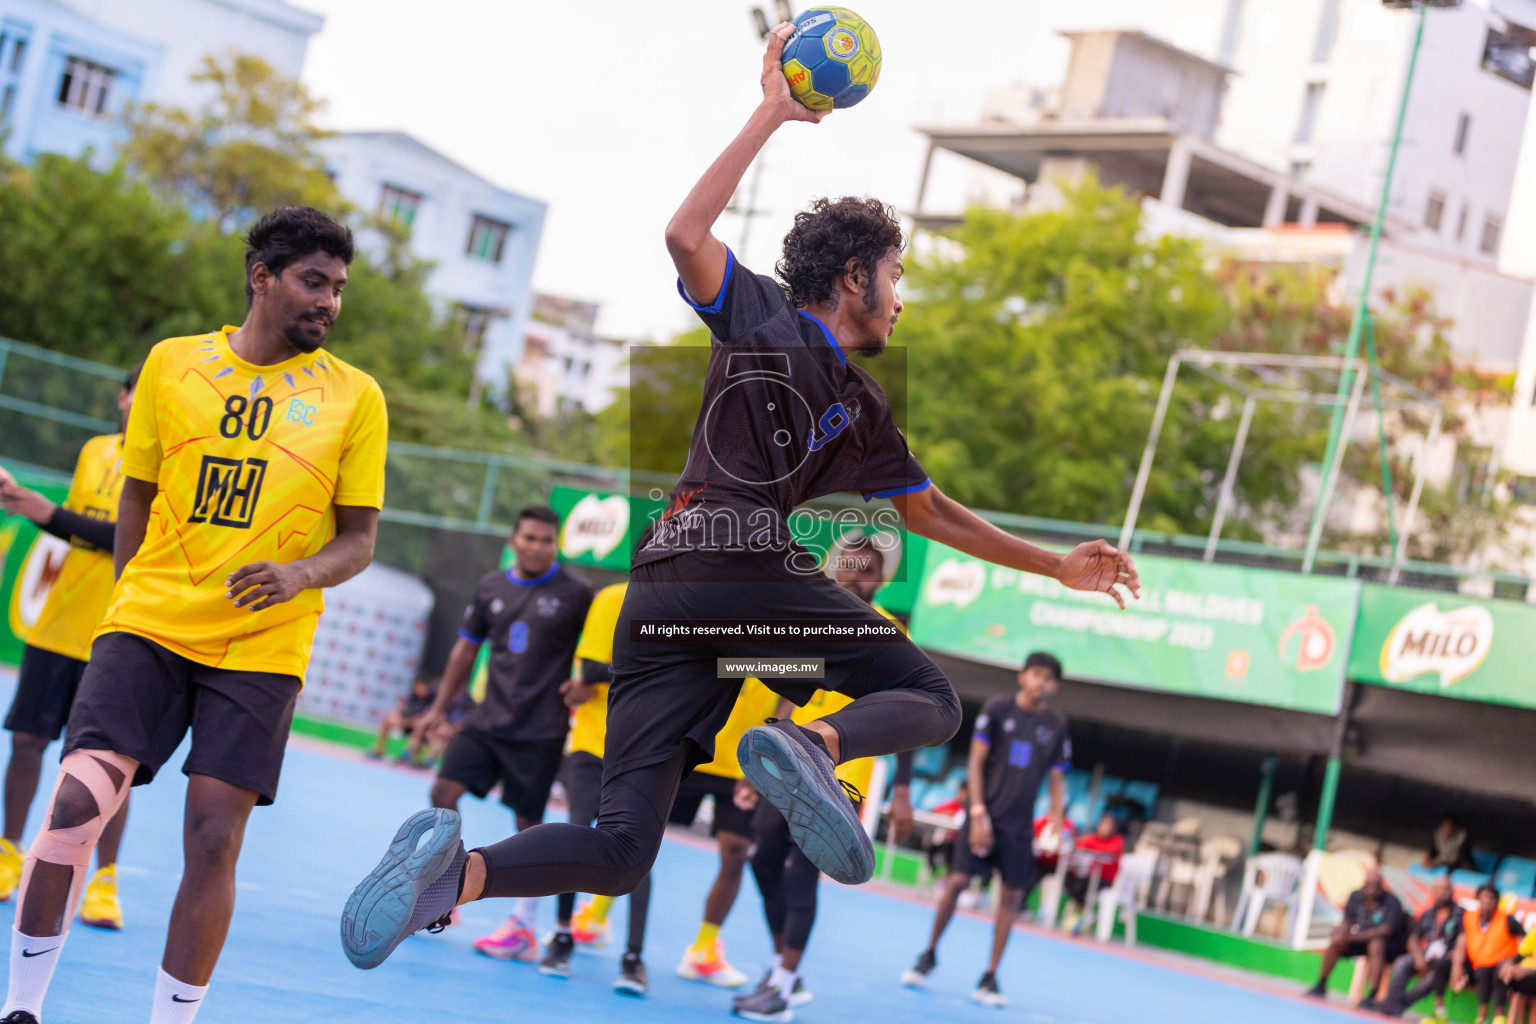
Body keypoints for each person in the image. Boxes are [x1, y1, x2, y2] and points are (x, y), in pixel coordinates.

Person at [339, 24, 1139, 973]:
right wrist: (773, 111)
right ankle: (819, 742)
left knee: (622, 849)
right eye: (894, 277)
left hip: (669, 605)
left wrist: (1054, 563)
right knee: (927, 697)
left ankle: (451, 877)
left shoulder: (864, 404)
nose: (900, 298)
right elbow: (684, 233)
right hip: (740, 566)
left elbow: (930, 511)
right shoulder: (762, 312)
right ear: (853, 278)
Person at [2, 205, 386, 1024]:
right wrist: (137, 595)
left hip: (261, 646)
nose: (329, 302)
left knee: (213, 835)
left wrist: (298, 573)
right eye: (313, 282)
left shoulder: (355, 398)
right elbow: (135, 498)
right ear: (262, 277)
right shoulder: (173, 366)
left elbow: (358, 542)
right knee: (74, 804)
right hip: (148, 624)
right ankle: (21, 1008)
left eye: (339, 288)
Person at [415, 507, 593, 963]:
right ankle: (446, 890)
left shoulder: (576, 595)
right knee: (442, 792)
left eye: (546, 540)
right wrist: (438, 709)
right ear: (514, 539)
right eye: (529, 538)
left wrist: (587, 683)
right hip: (485, 720)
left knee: (528, 827)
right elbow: (464, 649)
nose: (537, 546)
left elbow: (596, 651)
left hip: (540, 730)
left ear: (557, 545)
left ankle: (523, 925)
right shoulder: (490, 585)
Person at [0, 362, 140, 932]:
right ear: (122, 396)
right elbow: (80, 529)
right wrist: (25, 502)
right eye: (135, 390)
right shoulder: (95, 451)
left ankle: (103, 882)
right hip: (58, 624)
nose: (140, 400)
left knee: (109, 765)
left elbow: (130, 538)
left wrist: (45, 511)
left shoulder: (174, 465)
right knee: (28, 740)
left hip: (119, 632)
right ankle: (7, 853)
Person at [731, 532, 889, 1023]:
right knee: (762, 862)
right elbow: (791, 693)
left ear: (881, 579)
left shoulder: (887, 633)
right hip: (790, 762)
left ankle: (780, 987)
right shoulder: (816, 622)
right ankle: (787, 970)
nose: (856, 577)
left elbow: (911, 707)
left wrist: (899, 789)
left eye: (867, 570)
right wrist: (761, 758)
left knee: (802, 876)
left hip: (841, 775)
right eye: (849, 566)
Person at [901, 652, 1071, 1008]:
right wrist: (977, 813)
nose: (1042, 682)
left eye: (1049, 678)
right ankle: (928, 953)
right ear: (1022, 676)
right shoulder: (998, 708)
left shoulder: (1055, 724)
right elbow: (976, 761)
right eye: (1036, 674)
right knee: (957, 883)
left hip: (1019, 827)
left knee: (1010, 898)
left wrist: (1056, 816)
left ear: (1054, 686)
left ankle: (990, 976)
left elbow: (1057, 777)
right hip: (983, 816)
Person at [533, 581, 654, 993]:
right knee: (578, 833)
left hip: (649, 750)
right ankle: (563, 935)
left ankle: (634, 958)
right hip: (593, 743)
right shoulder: (612, 599)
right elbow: (587, 669)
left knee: (640, 850)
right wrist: (656, 669)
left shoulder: (693, 607)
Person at [671, 684, 780, 990]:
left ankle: (703, 949)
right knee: (640, 834)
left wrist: (763, 758)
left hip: (742, 763)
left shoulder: (790, 647)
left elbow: (788, 698)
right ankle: (595, 918)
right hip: (693, 746)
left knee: (735, 854)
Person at [1305, 868, 1409, 1008]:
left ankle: (1372, 996)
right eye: (1369, 884)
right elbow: (1347, 921)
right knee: (1336, 943)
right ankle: (1321, 984)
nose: (1371, 888)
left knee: (1376, 944)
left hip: (1387, 947)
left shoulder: (1392, 902)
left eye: (1375, 884)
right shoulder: (1355, 896)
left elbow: (1385, 930)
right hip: (1357, 940)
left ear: (1381, 886)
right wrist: (1340, 933)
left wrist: (1351, 937)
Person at [1380, 875, 1461, 1019]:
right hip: (1426, 957)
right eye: (1439, 889)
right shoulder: (1428, 913)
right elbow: (1413, 938)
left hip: (1445, 962)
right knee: (1402, 962)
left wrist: (1447, 959)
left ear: (1452, 892)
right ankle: (1392, 1003)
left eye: (1447, 889)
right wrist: (1418, 958)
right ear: (1433, 891)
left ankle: (1397, 1005)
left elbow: (1463, 943)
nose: (1443, 892)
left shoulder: (1461, 914)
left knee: (1434, 976)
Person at [1452, 883, 1525, 1024]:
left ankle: (1498, 1018)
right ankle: (1480, 1018)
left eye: (1491, 898)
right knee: (1447, 965)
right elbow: (1461, 943)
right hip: (1478, 965)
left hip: (1502, 965)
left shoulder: (1507, 919)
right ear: (1478, 898)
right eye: (1484, 897)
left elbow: (1526, 941)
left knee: (1499, 974)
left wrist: (1513, 961)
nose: (1487, 902)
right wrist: (1457, 967)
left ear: (1497, 902)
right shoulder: (1469, 917)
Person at [1061, 812, 1124, 935]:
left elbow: (1108, 856)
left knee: (1081, 886)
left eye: (1108, 825)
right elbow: (1079, 845)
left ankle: (1085, 913)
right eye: (1102, 824)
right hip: (1088, 876)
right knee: (1069, 880)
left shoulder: (1116, 841)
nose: (1104, 827)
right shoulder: (1092, 838)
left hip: (1105, 880)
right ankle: (1086, 911)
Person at [370, 677, 437, 763]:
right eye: (418, 686)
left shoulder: (430, 702)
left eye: (423, 687)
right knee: (388, 718)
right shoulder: (410, 698)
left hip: (419, 728)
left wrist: (406, 722)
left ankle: (412, 756)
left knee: (419, 724)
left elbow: (423, 719)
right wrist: (397, 717)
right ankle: (379, 749)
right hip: (406, 724)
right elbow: (401, 711)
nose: (420, 689)